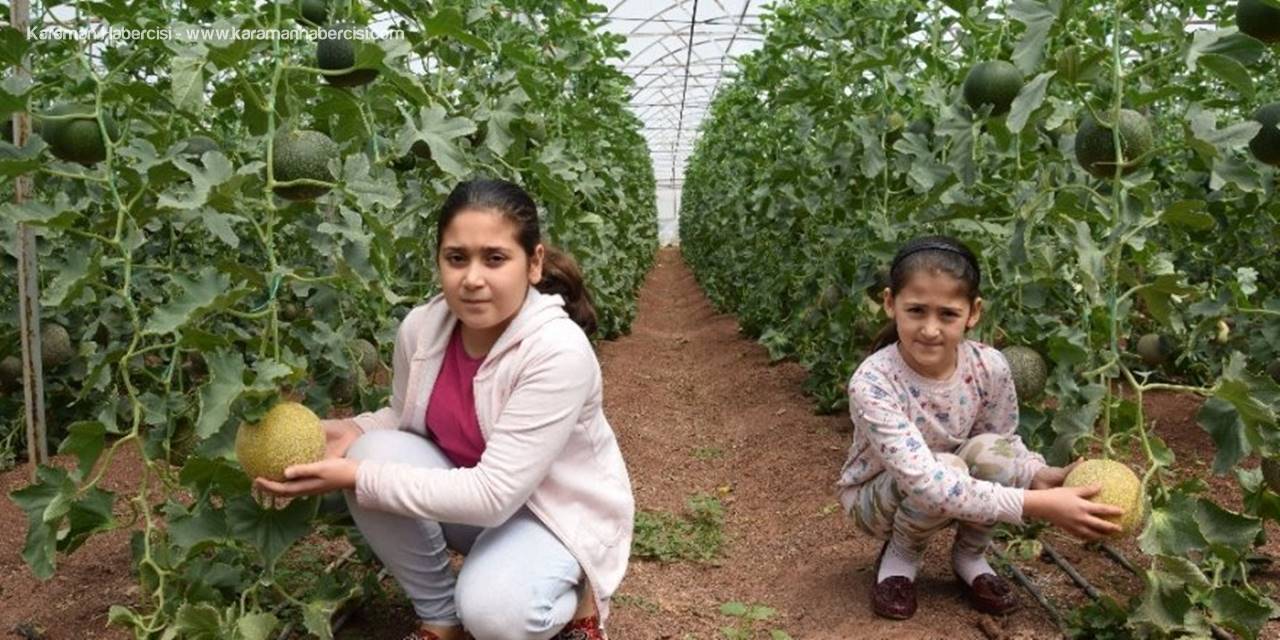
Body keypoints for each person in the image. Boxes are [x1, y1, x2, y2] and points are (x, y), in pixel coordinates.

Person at [255, 178, 635, 640]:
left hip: (554, 517)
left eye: (494, 259)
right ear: (438, 261)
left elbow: (493, 494)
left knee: (496, 614)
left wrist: (356, 476)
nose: (472, 279)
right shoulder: (421, 329)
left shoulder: (557, 351)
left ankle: (576, 597)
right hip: (476, 502)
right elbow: (403, 417)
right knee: (370, 450)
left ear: (533, 263)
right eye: (457, 258)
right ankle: (440, 619)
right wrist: (349, 430)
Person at [835, 235, 1124, 620]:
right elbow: (927, 482)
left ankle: (970, 556)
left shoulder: (990, 366)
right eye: (916, 310)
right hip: (877, 501)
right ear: (890, 304)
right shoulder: (873, 381)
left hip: (954, 482)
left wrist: (1037, 474)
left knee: (995, 454)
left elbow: (1002, 442)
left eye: (948, 315)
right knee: (946, 468)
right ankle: (901, 557)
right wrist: (1037, 505)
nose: (930, 329)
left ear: (973, 313)